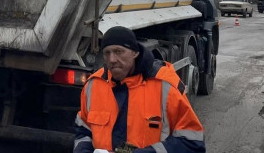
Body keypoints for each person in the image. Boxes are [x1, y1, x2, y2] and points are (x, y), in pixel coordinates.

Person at [73, 26, 206, 153]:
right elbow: (83, 130)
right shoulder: (93, 85)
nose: (112, 59)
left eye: (119, 51)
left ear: (135, 53)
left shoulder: (164, 86)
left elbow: (192, 143)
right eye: (107, 53)